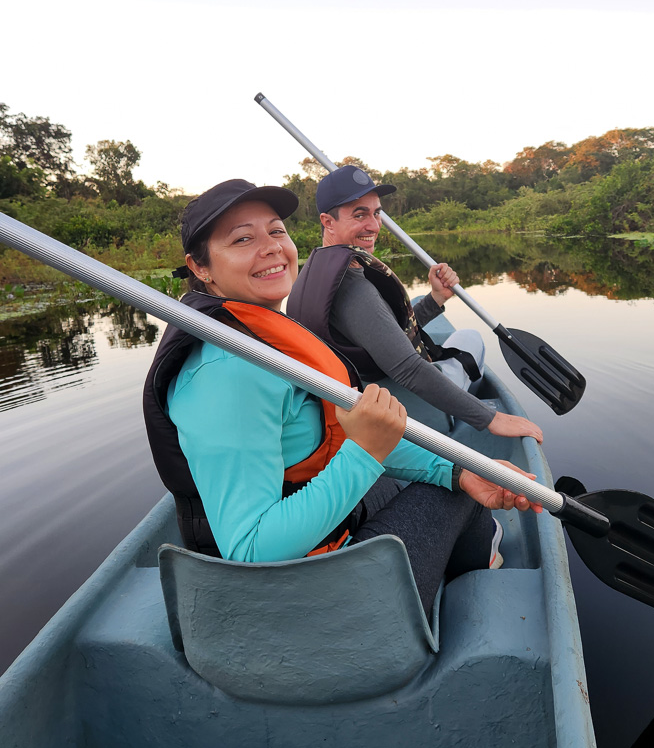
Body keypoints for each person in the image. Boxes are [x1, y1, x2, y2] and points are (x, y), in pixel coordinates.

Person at [143, 179, 541, 615]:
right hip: (315, 606)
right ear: (201, 268)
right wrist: (368, 452)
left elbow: (343, 434)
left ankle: (460, 550)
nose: (272, 247)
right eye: (242, 239)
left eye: (276, 231)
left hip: (317, 559)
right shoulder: (227, 374)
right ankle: (478, 567)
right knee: (447, 497)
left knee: (439, 477)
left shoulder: (260, 333)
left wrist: (459, 469)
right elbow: (250, 550)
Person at [286, 164, 544, 443]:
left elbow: (379, 334)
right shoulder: (351, 286)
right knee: (472, 339)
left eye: (377, 213)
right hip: (404, 407)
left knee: (445, 331)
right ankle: (458, 419)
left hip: (368, 392)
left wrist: (435, 300)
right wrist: (490, 418)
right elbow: (407, 369)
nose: (373, 225)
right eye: (359, 215)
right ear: (328, 222)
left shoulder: (315, 270)